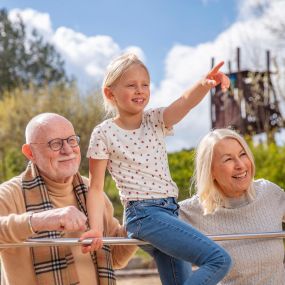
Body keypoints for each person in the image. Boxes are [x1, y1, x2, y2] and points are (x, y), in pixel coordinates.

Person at [83, 53, 232, 285]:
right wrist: (94, 229)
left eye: (145, 85)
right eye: (131, 85)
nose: (140, 90)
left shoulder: (156, 120)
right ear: (110, 93)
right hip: (143, 215)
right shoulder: (103, 133)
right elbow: (95, 188)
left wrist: (203, 85)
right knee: (218, 259)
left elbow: (183, 102)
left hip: (169, 213)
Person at [0, 113, 137, 285]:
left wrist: (140, 222)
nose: (67, 150)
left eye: (71, 140)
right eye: (55, 144)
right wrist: (40, 220)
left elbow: (115, 258)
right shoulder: (10, 194)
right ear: (30, 152)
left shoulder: (94, 194)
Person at [179, 128, 285, 284]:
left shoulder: (269, 193)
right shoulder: (193, 211)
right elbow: (140, 223)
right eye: (228, 159)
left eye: (243, 154)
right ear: (210, 170)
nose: (240, 165)